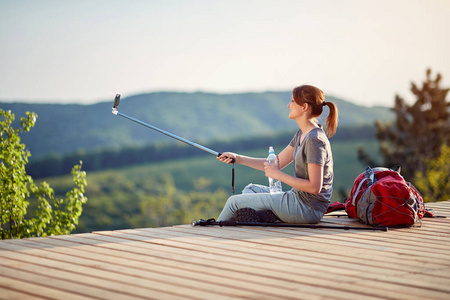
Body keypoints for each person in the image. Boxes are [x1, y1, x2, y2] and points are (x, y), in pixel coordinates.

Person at [216, 85, 338, 224]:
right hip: (297, 199)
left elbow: (314, 187)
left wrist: (278, 175)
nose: (288, 105)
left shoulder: (314, 140)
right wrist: (237, 158)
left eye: (292, 101)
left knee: (233, 202)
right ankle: (268, 215)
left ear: (304, 107)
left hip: (307, 208)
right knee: (251, 189)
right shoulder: (302, 134)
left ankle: (211, 233)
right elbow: (274, 163)